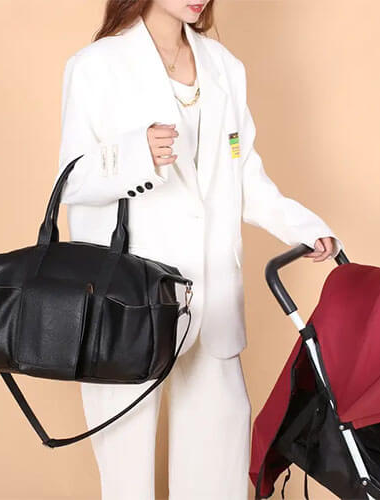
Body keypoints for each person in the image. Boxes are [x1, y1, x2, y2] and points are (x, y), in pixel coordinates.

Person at [54, 1, 344, 498]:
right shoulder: (96, 65)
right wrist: (135, 154)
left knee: (219, 470)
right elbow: (71, 181)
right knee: (127, 477)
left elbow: (244, 175)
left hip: (210, 298)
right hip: (129, 303)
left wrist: (305, 228)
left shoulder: (224, 66)